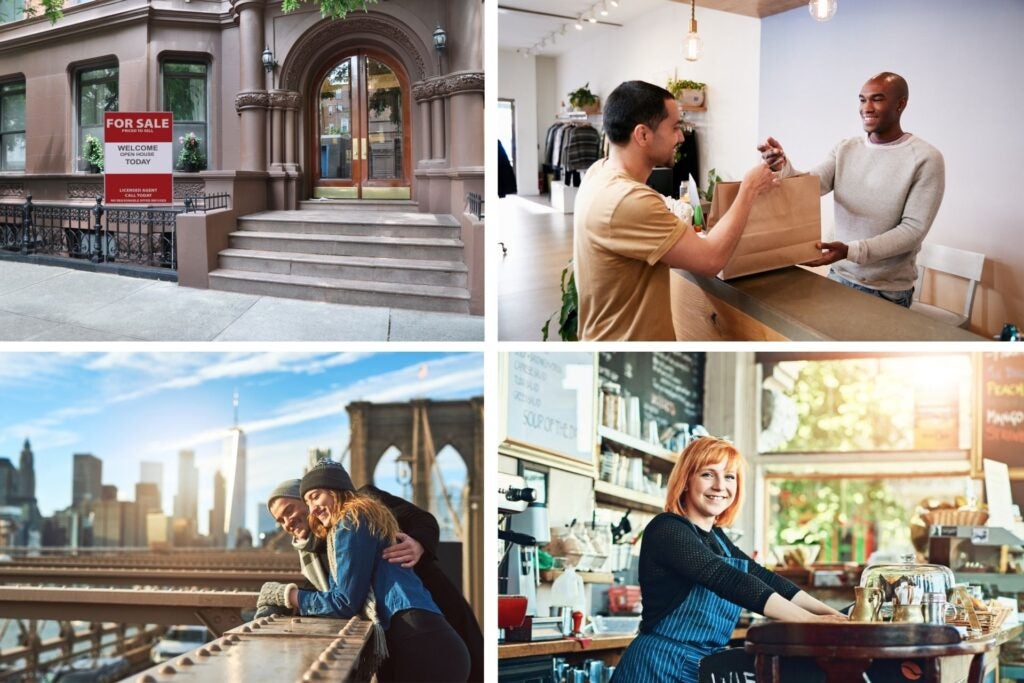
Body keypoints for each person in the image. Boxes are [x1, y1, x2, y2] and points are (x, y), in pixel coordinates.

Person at [611, 437, 845, 683]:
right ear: (686, 480)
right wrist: (810, 622)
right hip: (656, 667)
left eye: (729, 476)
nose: (720, 485)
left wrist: (833, 616)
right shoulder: (667, 529)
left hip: (703, 667)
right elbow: (725, 578)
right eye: (708, 474)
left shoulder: (718, 539)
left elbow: (764, 577)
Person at [573, 79, 778, 341]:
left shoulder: (598, 172)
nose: (681, 136)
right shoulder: (627, 199)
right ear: (643, 135)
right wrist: (749, 189)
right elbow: (711, 259)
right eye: (675, 127)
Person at [257, 460, 471, 682]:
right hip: (413, 641)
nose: (312, 509)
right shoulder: (345, 529)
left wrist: (286, 595)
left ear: (335, 489)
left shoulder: (351, 520)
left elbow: (343, 602)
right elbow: (327, 594)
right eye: (280, 520)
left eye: (314, 497)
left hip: (421, 642)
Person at [758, 72, 945, 307]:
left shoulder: (926, 158)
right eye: (862, 99)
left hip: (885, 291)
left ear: (901, 104)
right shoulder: (846, 148)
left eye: (877, 99)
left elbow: (912, 231)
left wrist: (850, 251)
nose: (867, 107)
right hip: (837, 277)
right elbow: (811, 186)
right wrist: (782, 167)